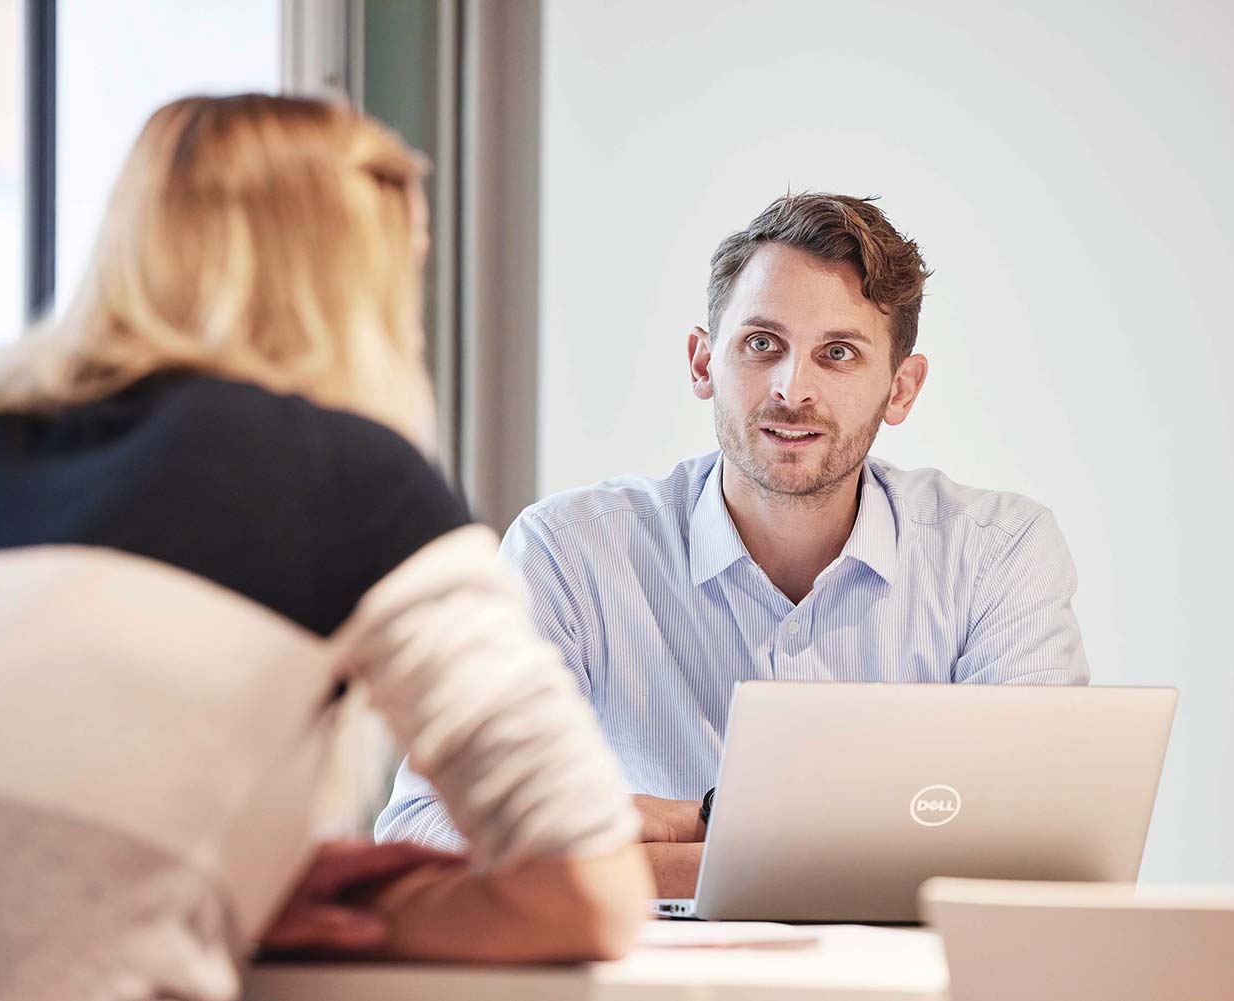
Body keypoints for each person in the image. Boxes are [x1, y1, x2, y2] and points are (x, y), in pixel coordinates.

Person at [0, 94, 650, 1001]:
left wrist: (244, 884)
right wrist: (357, 914)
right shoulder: (352, 477)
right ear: (350, 281)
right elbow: (592, 890)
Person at [376, 192, 1090, 896]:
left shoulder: (998, 554)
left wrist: (658, 843)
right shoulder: (570, 552)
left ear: (900, 389)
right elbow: (424, 829)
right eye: (761, 344)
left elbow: (1037, 852)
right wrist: (842, 856)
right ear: (702, 360)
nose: (791, 388)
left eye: (837, 353)